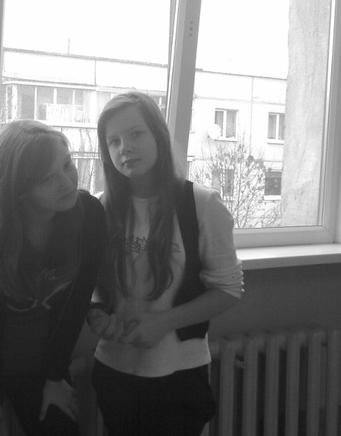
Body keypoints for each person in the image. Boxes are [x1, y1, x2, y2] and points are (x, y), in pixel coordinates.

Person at [87, 91, 244, 435]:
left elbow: (229, 290)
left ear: (158, 135)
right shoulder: (101, 207)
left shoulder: (201, 204)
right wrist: (96, 312)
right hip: (114, 369)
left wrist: (164, 322)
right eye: (113, 141)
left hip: (178, 376)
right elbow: (92, 282)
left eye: (135, 134)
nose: (125, 148)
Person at [0, 119, 106, 436]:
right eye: (47, 178)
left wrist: (55, 376)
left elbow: (77, 300)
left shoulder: (89, 215)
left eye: (67, 164)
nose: (67, 182)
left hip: (41, 363)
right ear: (17, 189)